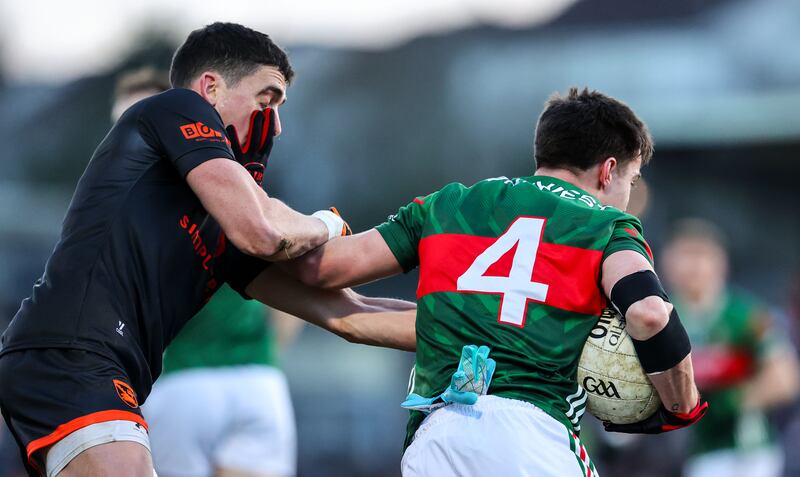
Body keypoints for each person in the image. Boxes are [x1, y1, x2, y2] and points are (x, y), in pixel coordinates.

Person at [0, 22, 416, 477]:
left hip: (107, 372)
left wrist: (463, 324)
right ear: (211, 88)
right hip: (69, 353)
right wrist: (325, 223)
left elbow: (349, 313)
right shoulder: (176, 106)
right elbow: (263, 231)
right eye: (266, 97)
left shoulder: (222, 227)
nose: (272, 121)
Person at [285, 87, 708, 476]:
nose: (627, 196)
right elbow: (649, 313)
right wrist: (680, 404)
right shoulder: (608, 226)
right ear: (608, 170)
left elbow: (320, 270)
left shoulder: (447, 205)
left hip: (438, 435)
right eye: (631, 182)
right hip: (534, 435)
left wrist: (319, 223)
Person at [112, 68, 304, 477]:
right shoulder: (244, 197)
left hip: (182, 384)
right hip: (258, 381)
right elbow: (294, 292)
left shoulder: (129, 213)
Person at [660, 219, 800, 477]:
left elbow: (786, 379)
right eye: (685, 255)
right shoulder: (659, 317)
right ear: (668, 262)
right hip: (688, 453)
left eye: (701, 255)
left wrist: (735, 400)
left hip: (744, 453)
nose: (694, 266)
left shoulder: (745, 316)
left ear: (720, 263)